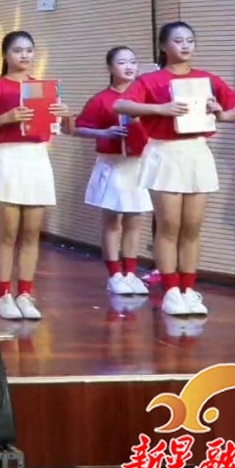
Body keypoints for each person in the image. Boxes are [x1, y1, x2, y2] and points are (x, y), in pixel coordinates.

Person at [114, 22, 235, 317]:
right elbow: (122, 105)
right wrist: (160, 109)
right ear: (164, 46)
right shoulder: (150, 80)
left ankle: (188, 289)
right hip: (165, 153)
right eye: (178, 41)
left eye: (190, 40)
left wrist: (222, 113)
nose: (186, 46)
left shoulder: (207, 79)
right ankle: (171, 290)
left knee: (192, 226)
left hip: (196, 152)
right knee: (169, 225)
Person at [0, 31, 73, 321]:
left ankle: (25, 293)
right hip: (7, 158)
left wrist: (66, 114)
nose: (24, 55)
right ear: (6, 54)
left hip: (37, 159)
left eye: (29, 50)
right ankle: (3, 295)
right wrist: (6, 118)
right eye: (17, 50)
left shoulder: (43, 88)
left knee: (31, 233)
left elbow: (67, 129)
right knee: (8, 233)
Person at [74, 46, 153, 296]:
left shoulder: (146, 98)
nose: (129, 67)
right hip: (112, 163)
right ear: (110, 67)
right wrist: (104, 133)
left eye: (133, 61)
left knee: (134, 221)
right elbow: (78, 128)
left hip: (137, 164)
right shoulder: (101, 99)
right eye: (122, 62)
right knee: (111, 222)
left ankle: (130, 273)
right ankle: (114, 274)